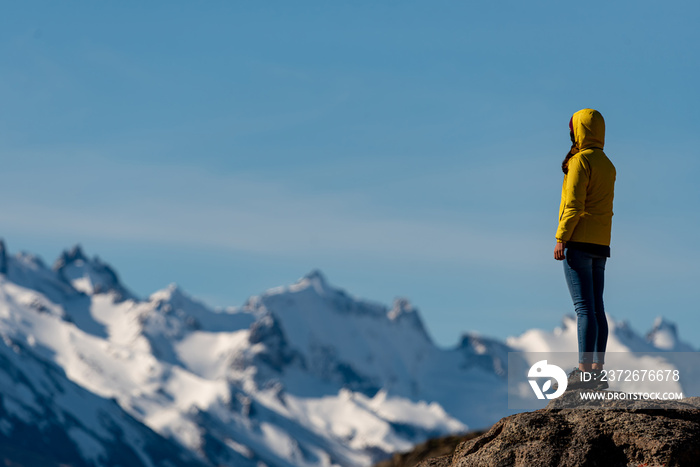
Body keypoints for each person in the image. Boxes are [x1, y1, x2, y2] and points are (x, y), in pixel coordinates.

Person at [554, 108, 616, 390]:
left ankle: (583, 371)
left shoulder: (580, 162)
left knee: (583, 309)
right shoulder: (607, 164)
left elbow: (574, 206)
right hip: (601, 244)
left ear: (577, 131)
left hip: (577, 241)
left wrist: (561, 237)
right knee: (597, 309)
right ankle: (598, 371)